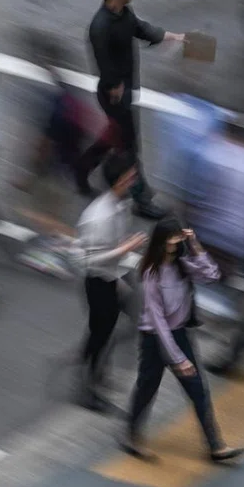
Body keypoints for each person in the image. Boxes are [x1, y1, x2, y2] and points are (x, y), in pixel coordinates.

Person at [123, 219, 244, 464]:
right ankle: (131, 437)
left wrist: (195, 246)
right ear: (161, 241)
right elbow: (158, 321)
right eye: (173, 238)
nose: (177, 242)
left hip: (179, 333)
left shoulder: (182, 265)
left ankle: (216, 446)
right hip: (155, 339)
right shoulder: (151, 273)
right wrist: (178, 358)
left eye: (179, 237)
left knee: (198, 390)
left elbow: (211, 274)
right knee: (147, 388)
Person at [80, 0, 186, 219]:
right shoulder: (100, 26)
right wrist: (114, 85)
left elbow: (139, 28)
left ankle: (82, 169)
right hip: (114, 95)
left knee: (114, 139)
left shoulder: (124, 13)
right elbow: (102, 60)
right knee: (129, 148)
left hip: (125, 89)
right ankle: (142, 200)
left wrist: (168, 36)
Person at [76, 152, 148, 411]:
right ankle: (87, 386)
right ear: (119, 181)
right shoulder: (100, 216)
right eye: (131, 177)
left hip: (113, 277)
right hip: (99, 281)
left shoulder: (120, 204)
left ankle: (93, 371)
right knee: (100, 333)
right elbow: (89, 260)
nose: (135, 181)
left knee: (108, 329)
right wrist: (124, 249)